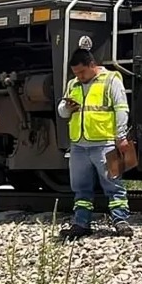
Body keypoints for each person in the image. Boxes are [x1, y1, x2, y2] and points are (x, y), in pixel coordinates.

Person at [58, 48, 133, 239]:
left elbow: (121, 109)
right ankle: (81, 223)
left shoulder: (111, 80)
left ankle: (121, 221)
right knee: (80, 188)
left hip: (105, 143)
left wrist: (121, 136)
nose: (79, 76)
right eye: (76, 73)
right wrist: (66, 108)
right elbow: (62, 112)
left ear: (92, 65)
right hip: (79, 146)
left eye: (82, 72)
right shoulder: (73, 84)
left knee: (113, 185)